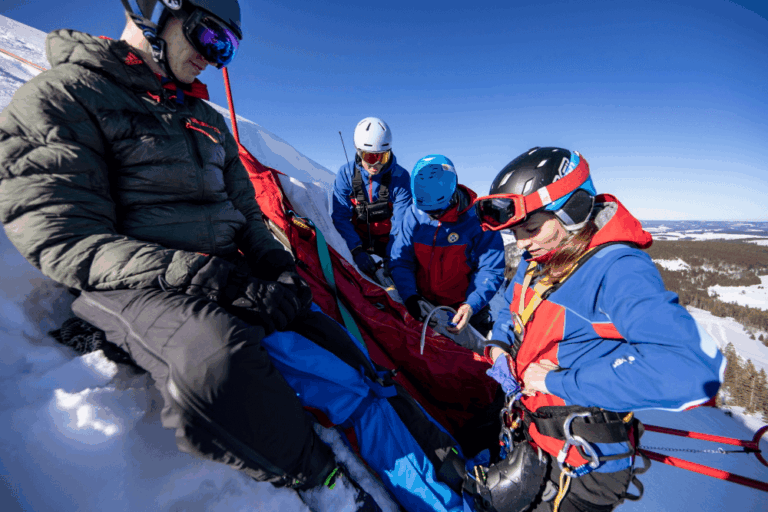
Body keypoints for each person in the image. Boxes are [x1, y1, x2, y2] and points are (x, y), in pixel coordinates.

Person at [0, 2, 468, 511]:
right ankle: (322, 479)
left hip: (225, 270)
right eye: (209, 37)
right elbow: (62, 237)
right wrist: (197, 274)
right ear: (154, 10)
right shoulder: (64, 97)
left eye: (228, 49)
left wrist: (277, 266)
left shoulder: (204, 119)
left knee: (340, 350)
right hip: (134, 282)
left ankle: (451, 484)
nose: (214, 57)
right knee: (216, 364)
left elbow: (246, 211)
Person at [466, 147, 725, 512]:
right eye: (515, 231)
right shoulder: (539, 258)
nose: (520, 242)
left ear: (571, 210)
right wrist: (499, 345)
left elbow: (692, 368)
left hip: (579, 463)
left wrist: (558, 381)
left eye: (531, 229)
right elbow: (510, 304)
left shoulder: (616, 270)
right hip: (533, 428)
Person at [389, 154, 505, 338]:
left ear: (452, 196)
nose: (433, 216)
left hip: (466, 310)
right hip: (424, 302)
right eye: (428, 212)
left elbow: (490, 269)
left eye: (438, 211)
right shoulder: (414, 214)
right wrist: (410, 295)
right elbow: (402, 260)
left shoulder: (479, 220)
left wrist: (471, 305)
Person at [331, 117, 412, 278]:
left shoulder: (400, 177)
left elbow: (401, 221)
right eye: (370, 157)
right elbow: (340, 216)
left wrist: (393, 255)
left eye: (383, 157)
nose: (376, 165)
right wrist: (356, 249)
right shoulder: (346, 174)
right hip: (356, 241)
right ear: (359, 152)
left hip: (389, 243)